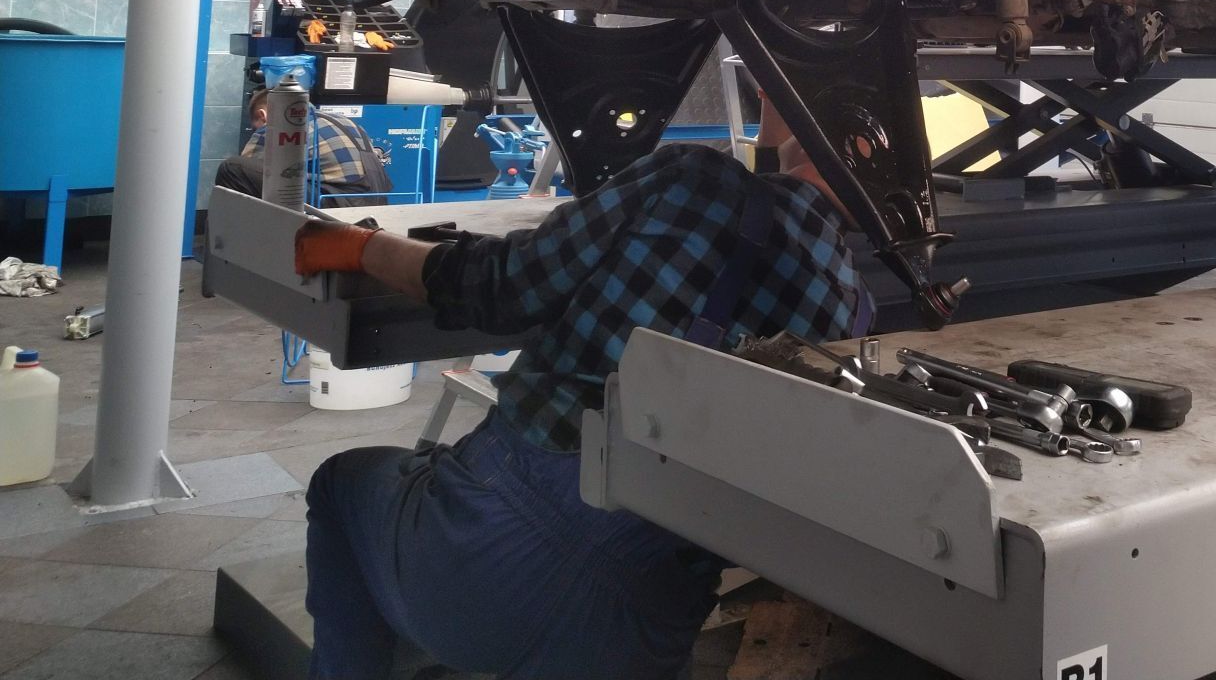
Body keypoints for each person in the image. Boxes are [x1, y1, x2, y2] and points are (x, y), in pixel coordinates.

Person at [294, 118, 873, 680]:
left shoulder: (695, 177)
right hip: (650, 611)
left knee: (340, 484)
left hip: (487, 554)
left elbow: (501, 286)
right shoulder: (853, 302)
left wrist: (362, 247)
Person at [215, 88, 391, 202]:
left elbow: (246, 172)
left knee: (232, 168)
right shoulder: (341, 119)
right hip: (379, 199)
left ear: (263, 115)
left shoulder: (279, 126)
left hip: (339, 204)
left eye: (256, 126)